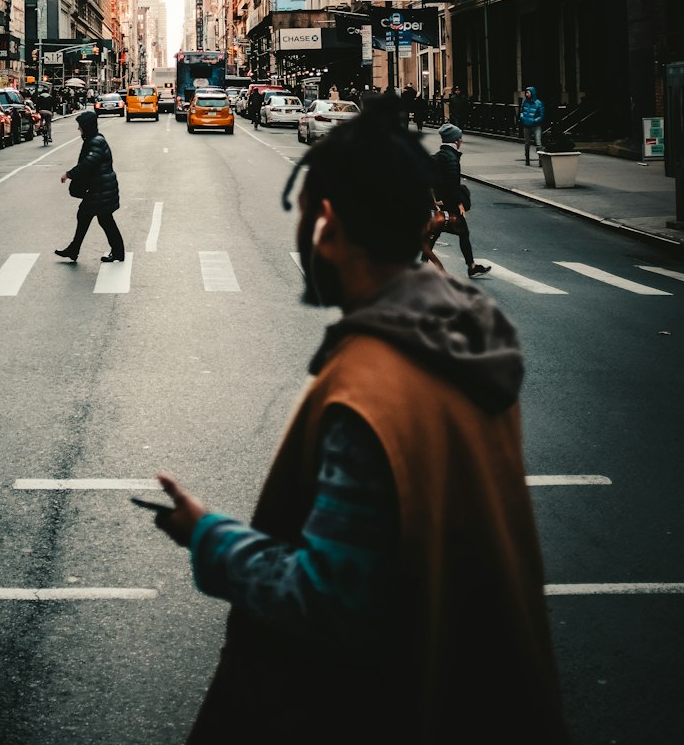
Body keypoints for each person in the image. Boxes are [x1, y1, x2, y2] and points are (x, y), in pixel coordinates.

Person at [148, 100, 566, 742]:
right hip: (480, 699)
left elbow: (328, 600)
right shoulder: (463, 340)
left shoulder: (369, 387)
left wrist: (206, 535)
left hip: (381, 710)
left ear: (331, 225)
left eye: (306, 216)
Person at [55, 110, 124, 263]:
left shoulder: (95, 142)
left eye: (80, 126)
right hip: (101, 188)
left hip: (100, 189)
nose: (78, 129)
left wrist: (69, 174)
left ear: (87, 127)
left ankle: (74, 250)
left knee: (90, 217)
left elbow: (88, 164)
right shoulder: (95, 140)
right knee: (100, 219)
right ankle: (116, 251)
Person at [429, 123, 490, 278]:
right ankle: (472, 266)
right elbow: (452, 183)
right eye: (460, 138)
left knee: (435, 232)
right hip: (450, 203)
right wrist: (459, 203)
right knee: (463, 232)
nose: (461, 140)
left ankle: (422, 264)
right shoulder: (451, 158)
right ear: (455, 140)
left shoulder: (439, 156)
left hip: (440, 203)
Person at [519, 85, 546, 166]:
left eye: (528, 92)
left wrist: (534, 120)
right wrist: (522, 117)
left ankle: (541, 160)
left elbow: (541, 115)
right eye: (526, 92)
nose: (526, 94)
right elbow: (522, 111)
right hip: (526, 125)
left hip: (535, 125)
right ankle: (527, 159)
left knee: (538, 143)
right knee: (527, 143)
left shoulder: (538, 103)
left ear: (532, 93)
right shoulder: (524, 102)